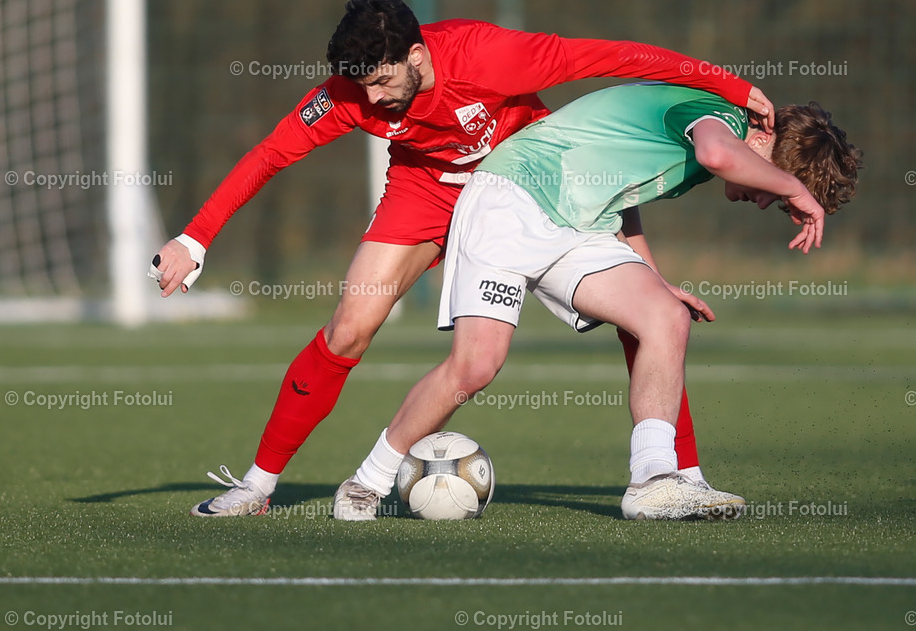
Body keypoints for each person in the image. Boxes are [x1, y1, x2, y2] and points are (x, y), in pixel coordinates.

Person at [148, 0, 774, 517]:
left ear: (416, 55)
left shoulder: (491, 56)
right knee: (348, 330)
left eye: (383, 82)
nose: (371, 102)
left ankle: (679, 477)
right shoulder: (347, 92)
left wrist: (733, 85)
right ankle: (258, 485)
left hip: (537, 184)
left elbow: (615, 56)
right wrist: (194, 238)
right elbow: (270, 154)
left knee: (649, 313)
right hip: (423, 194)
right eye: (360, 88)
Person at [335, 81, 862, 520]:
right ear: (767, 139)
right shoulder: (717, 114)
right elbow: (718, 154)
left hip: (579, 225)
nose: (763, 198)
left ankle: (653, 481)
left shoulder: (718, 141)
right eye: (772, 186)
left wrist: (653, 280)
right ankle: (367, 481)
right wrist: (796, 190)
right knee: (476, 366)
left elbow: (622, 198)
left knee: (665, 317)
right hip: (512, 202)